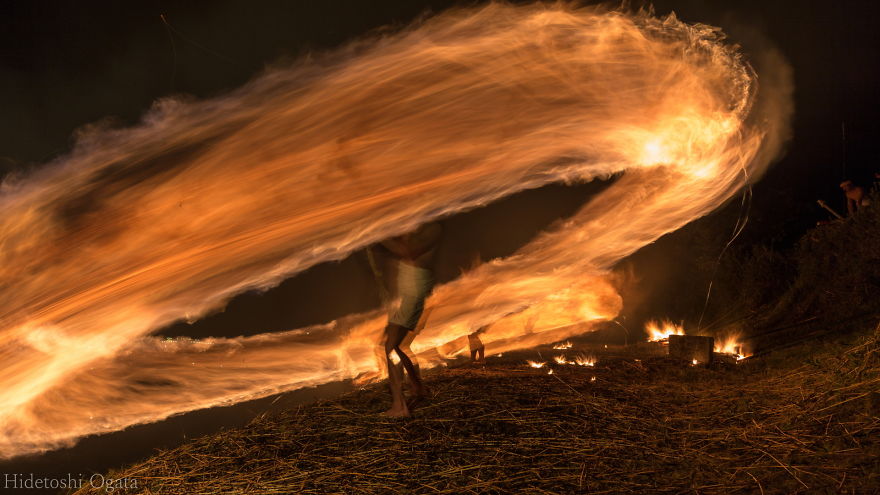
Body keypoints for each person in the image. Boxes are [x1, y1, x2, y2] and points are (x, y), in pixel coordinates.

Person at [379, 221, 442, 417]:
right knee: (396, 346)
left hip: (412, 297)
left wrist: (379, 234)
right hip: (408, 296)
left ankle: (400, 406)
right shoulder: (420, 229)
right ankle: (417, 387)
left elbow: (409, 252)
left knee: (389, 348)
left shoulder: (432, 228)